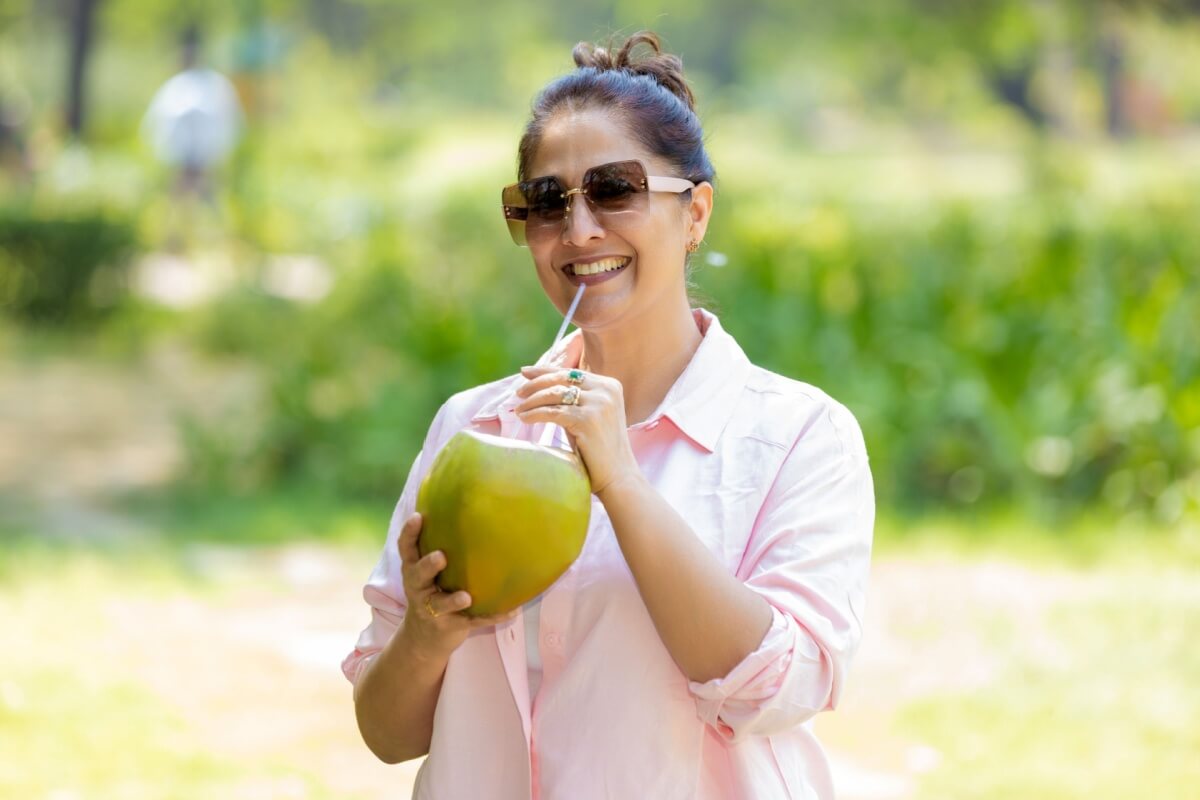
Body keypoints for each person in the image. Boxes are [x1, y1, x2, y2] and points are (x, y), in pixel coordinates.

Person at [342, 31, 874, 800]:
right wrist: (428, 633)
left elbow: (773, 689)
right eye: (547, 201)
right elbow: (387, 736)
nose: (579, 229)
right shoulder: (476, 427)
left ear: (695, 213)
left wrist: (621, 482)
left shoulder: (797, 438)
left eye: (615, 189)